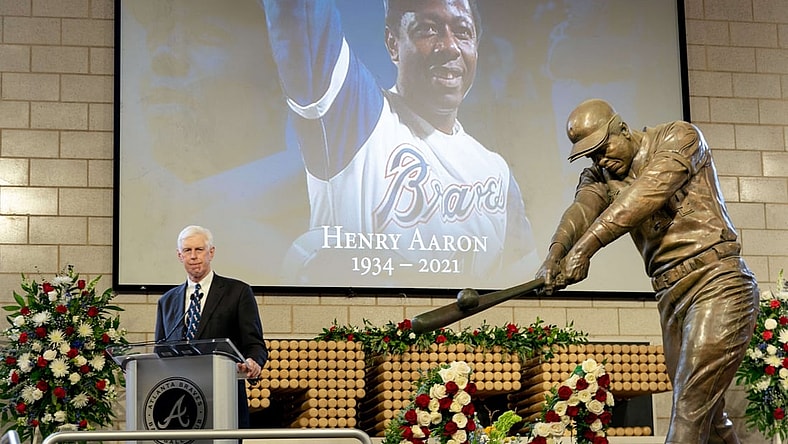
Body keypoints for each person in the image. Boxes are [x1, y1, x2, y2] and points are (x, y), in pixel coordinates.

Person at [262, 0, 538, 289]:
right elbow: (299, 16)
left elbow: (522, 287)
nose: (450, 46)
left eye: (463, 31)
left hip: (464, 331)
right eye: (428, 30)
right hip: (364, 324)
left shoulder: (496, 171)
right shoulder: (358, 116)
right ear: (393, 43)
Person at [537, 98, 759, 444]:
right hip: (672, 297)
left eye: (602, 148)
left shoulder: (678, 137)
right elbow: (581, 210)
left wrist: (585, 249)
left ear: (622, 128)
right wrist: (555, 255)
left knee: (688, 411)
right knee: (709, 416)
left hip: (718, 284)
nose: (600, 160)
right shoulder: (600, 175)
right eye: (591, 155)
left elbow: (645, 194)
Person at [155, 225, 268, 429]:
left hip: (223, 397)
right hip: (178, 401)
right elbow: (160, 351)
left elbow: (254, 344)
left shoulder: (238, 292)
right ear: (179, 256)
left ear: (211, 252)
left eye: (199, 250)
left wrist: (252, 362)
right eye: (187, 251)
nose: (194, 256)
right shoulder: (167, 301)